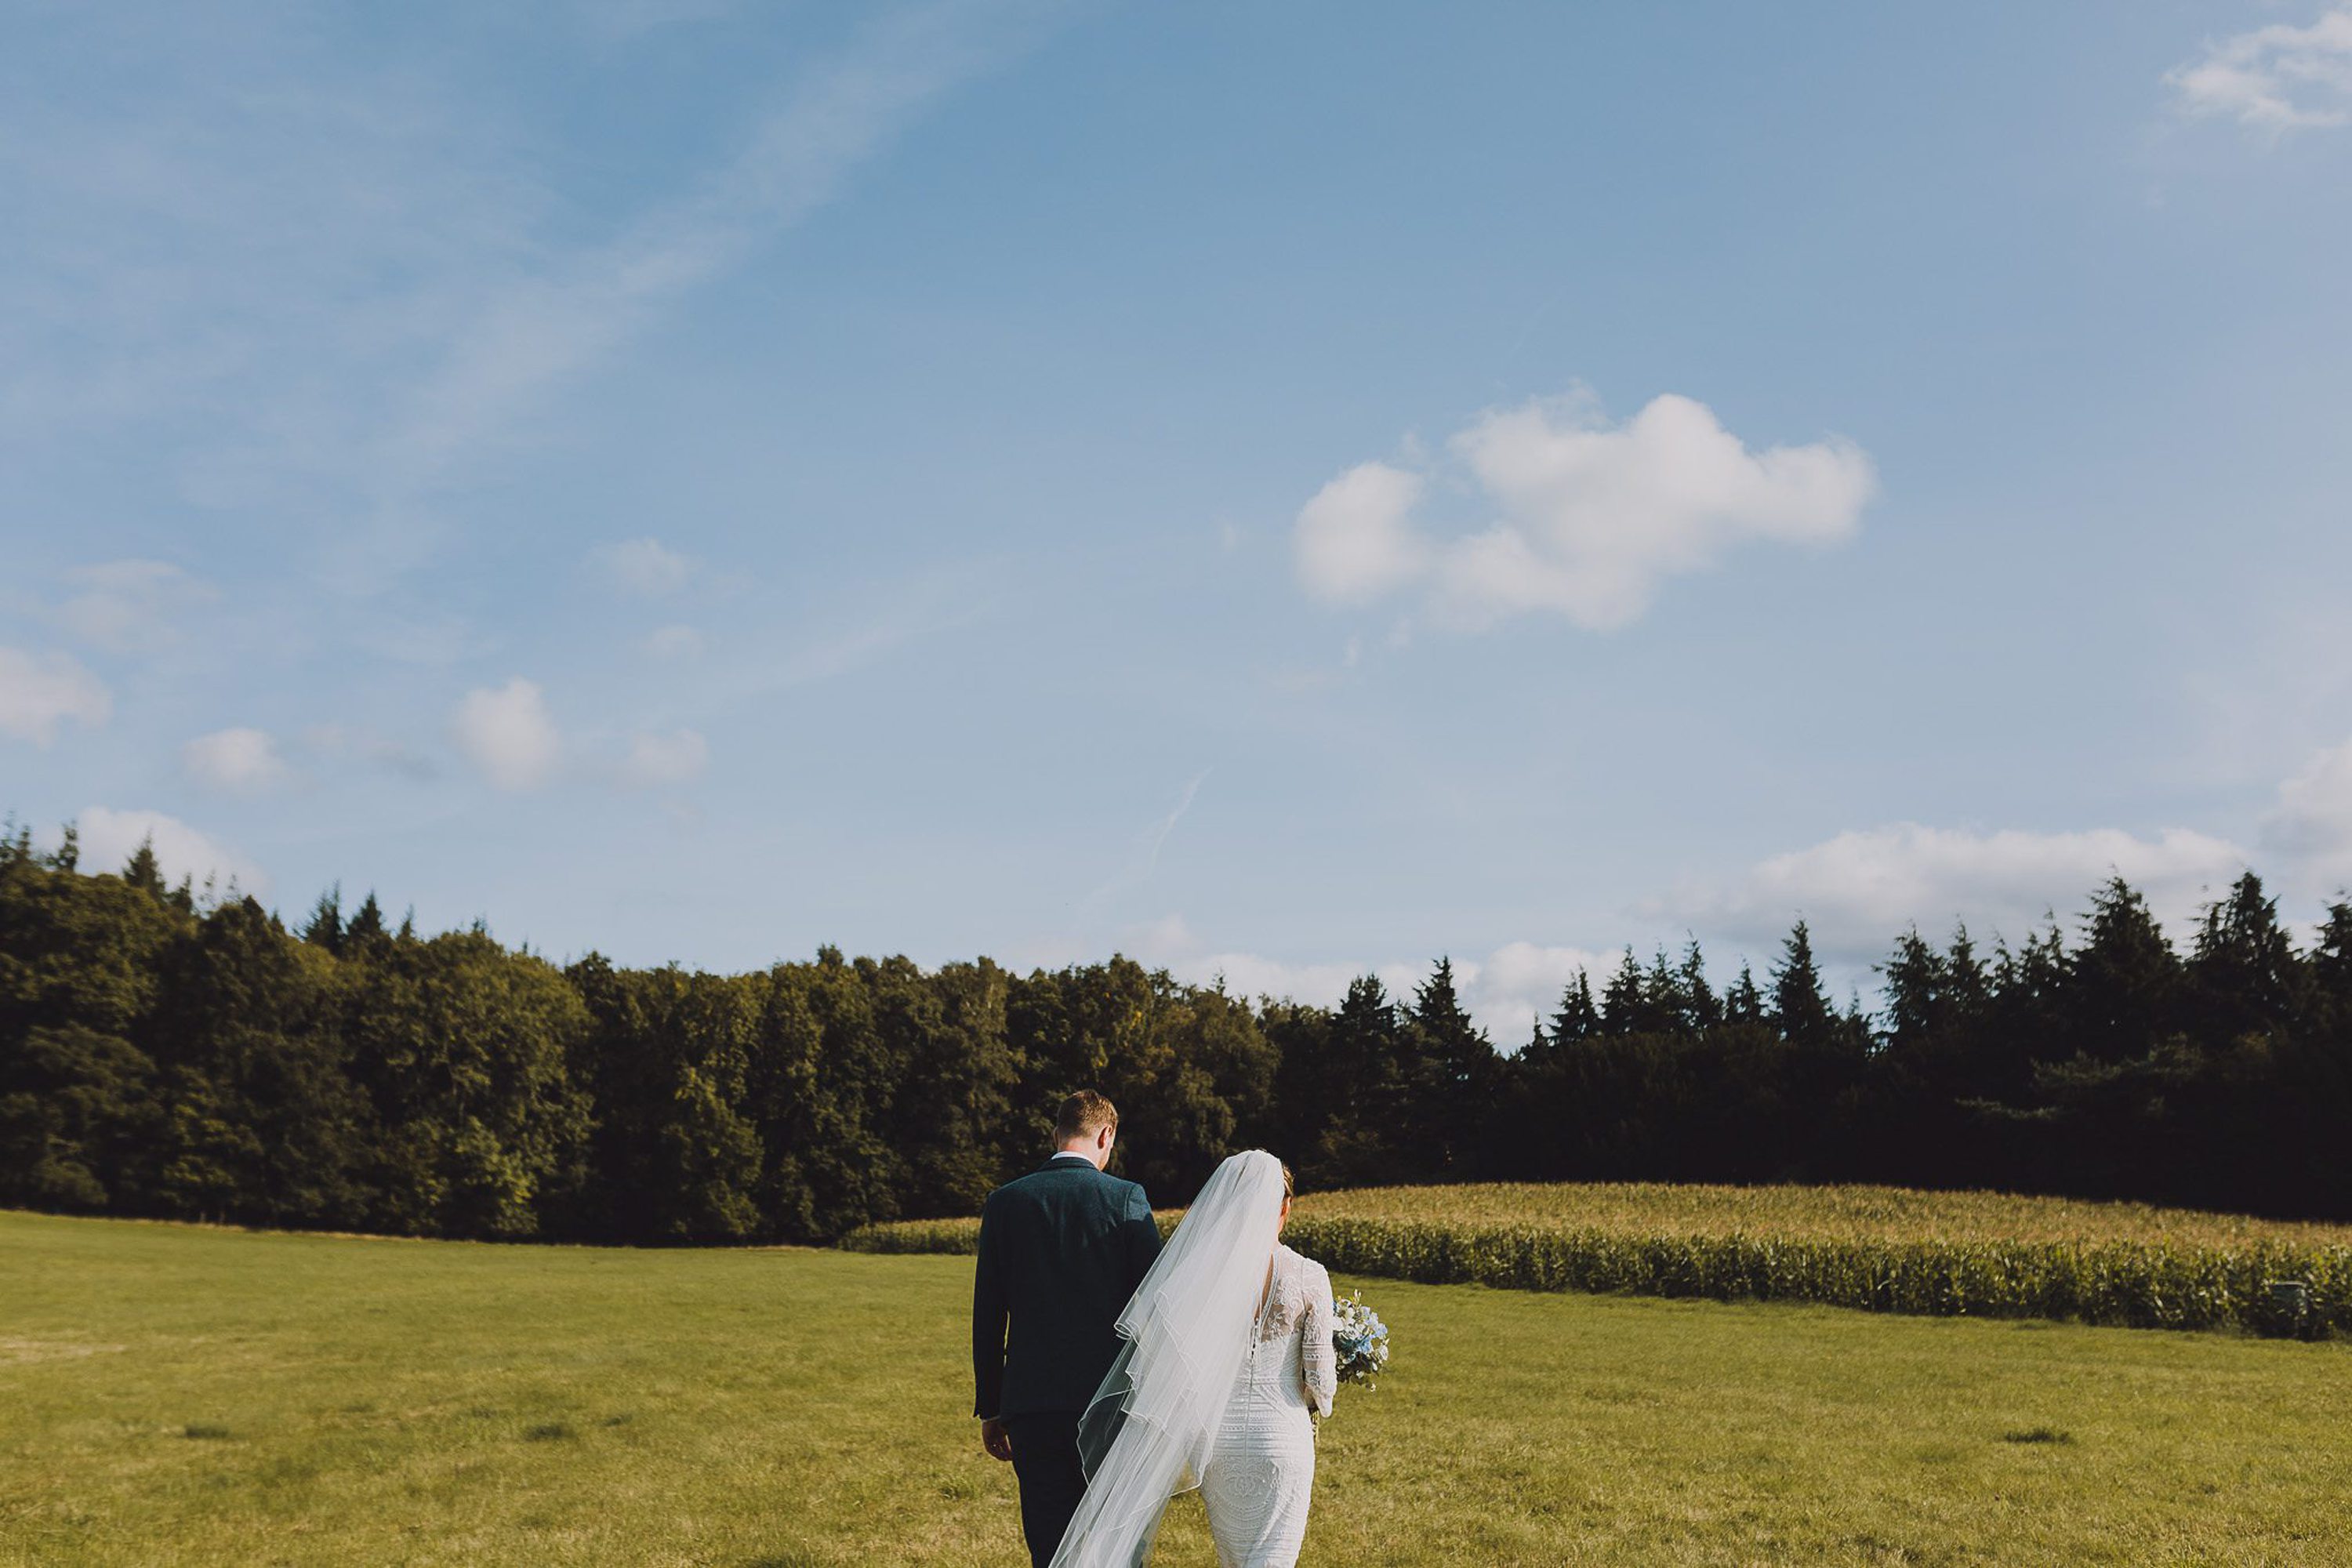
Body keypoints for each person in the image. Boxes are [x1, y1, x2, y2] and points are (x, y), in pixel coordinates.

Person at [1049, 1149, 1337, 1568]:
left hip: (1216, 1443)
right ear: (1285, 1205)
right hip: (1281, 1440)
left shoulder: (1201, 1279)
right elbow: (1321, 1383)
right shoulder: (1310, 1275)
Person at [974, 1091, 1164, 1568]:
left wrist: (992, 1406)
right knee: (1116, 1538)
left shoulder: (1005, 1201)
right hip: (1111, 1403)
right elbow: (1157, 1302)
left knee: (1049, 1542)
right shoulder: (1125, 1199)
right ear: (1106, 1135)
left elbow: (988, 1313)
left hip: (1031, 1404)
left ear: (1056, 1133)